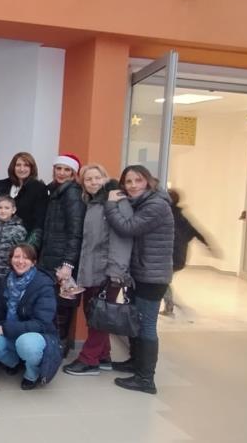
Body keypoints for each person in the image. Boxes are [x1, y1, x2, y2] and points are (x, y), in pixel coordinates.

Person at [105, 165, 174, 394]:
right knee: (135, 319)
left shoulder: (156, 205)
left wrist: (111, 205)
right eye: (128, 181)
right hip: (142, 273)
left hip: (152, 276)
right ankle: (135, 363)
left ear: (148, 181)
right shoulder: (143, 203)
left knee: (146, 325)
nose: (133, 185)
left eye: (138, 180)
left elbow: (128, 228)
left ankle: (146, 379)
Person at [63, 164, 132, 376]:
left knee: (98, 316)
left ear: (105, 178)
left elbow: (123, 238)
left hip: (107, 271)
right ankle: (103, 356)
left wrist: (116, 272)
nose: (93, 182)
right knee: (97, 313)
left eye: (96, 178)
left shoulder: (116, 201)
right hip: (91, 269)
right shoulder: (93, 203)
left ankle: (89, 360)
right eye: (88, 179)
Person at [0, 244, 61, 389]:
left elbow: (41, 324)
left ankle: (31, 374)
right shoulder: (7, 280)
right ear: (11, 259)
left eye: (26, 258)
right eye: (17, 256)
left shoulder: (44, 284)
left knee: (26, 343)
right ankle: (14, 362)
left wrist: (4, 329)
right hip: (11, 331)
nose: (20, 261)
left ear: (34, 262)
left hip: (37, 335)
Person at [38, 154, 86, 356]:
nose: (62, 173)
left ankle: (59, 346)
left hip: (61, 259)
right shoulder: (55, 191)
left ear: (74, 173)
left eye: (67, 170)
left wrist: (68, 263)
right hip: (50, 255)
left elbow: (75, 231)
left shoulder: (72, 193)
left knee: (62, 304)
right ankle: (54, 344)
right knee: (52, 303)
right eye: (59, 168)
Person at [162, 188, 216, 317]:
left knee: (162, 282)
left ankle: (170, 306)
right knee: (164, 281)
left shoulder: (166, 215)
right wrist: (208, 246)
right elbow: (196, 232)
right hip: (180, 257)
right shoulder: (181, 217)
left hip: (171, 257)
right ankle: (170, 305)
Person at [0, 152, 48, 249]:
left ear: (32, 168)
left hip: (24, 242)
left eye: (26, 165)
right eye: (18, 165)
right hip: (0, 242)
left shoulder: (38, 188)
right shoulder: (2, 185)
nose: (22, 169)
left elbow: (39, 221)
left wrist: (28, 246)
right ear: (13, 167)